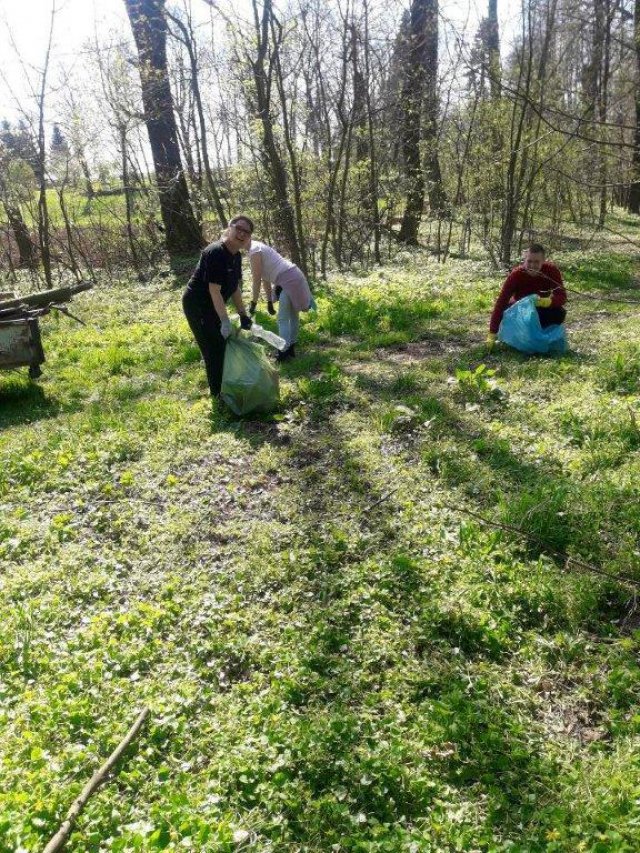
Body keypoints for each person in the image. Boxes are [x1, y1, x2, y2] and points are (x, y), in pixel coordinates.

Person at [182, 215, 254, 397]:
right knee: (212, 350)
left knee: (221, 346)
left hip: (214, 305)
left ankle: (225, 388)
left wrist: (243, 314)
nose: (242, 233)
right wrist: (225, 321)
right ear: (230, 227)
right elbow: (214, 290)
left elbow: (235, 286)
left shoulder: (236, 256)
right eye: (239, 228)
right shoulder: (215, 252)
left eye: (247, 232)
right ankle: (218, 397)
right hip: (198, 304)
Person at [487, 243, 567, 348]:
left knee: (559, 313)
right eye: (529, 261)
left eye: (536, 262)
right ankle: (521, 338)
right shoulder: (516, 275)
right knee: (506, 311)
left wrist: (548, 301)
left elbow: (562, 296)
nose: (532, 266)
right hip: (518, 312)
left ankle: (539, 336)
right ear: (524, 260)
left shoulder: (551, 271)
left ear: (543, 261)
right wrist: (492, 332)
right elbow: (501, 302)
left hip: (539, 308)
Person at [247, 238, 313, 362]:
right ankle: (290, 348)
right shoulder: (258, 248)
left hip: (289, 281)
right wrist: (269, 301)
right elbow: (264, 279)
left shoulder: (254, 250)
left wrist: (253, 303)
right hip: (294, 276)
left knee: (283, 318)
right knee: (293, 314)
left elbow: (256, 279)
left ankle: (284, 351)